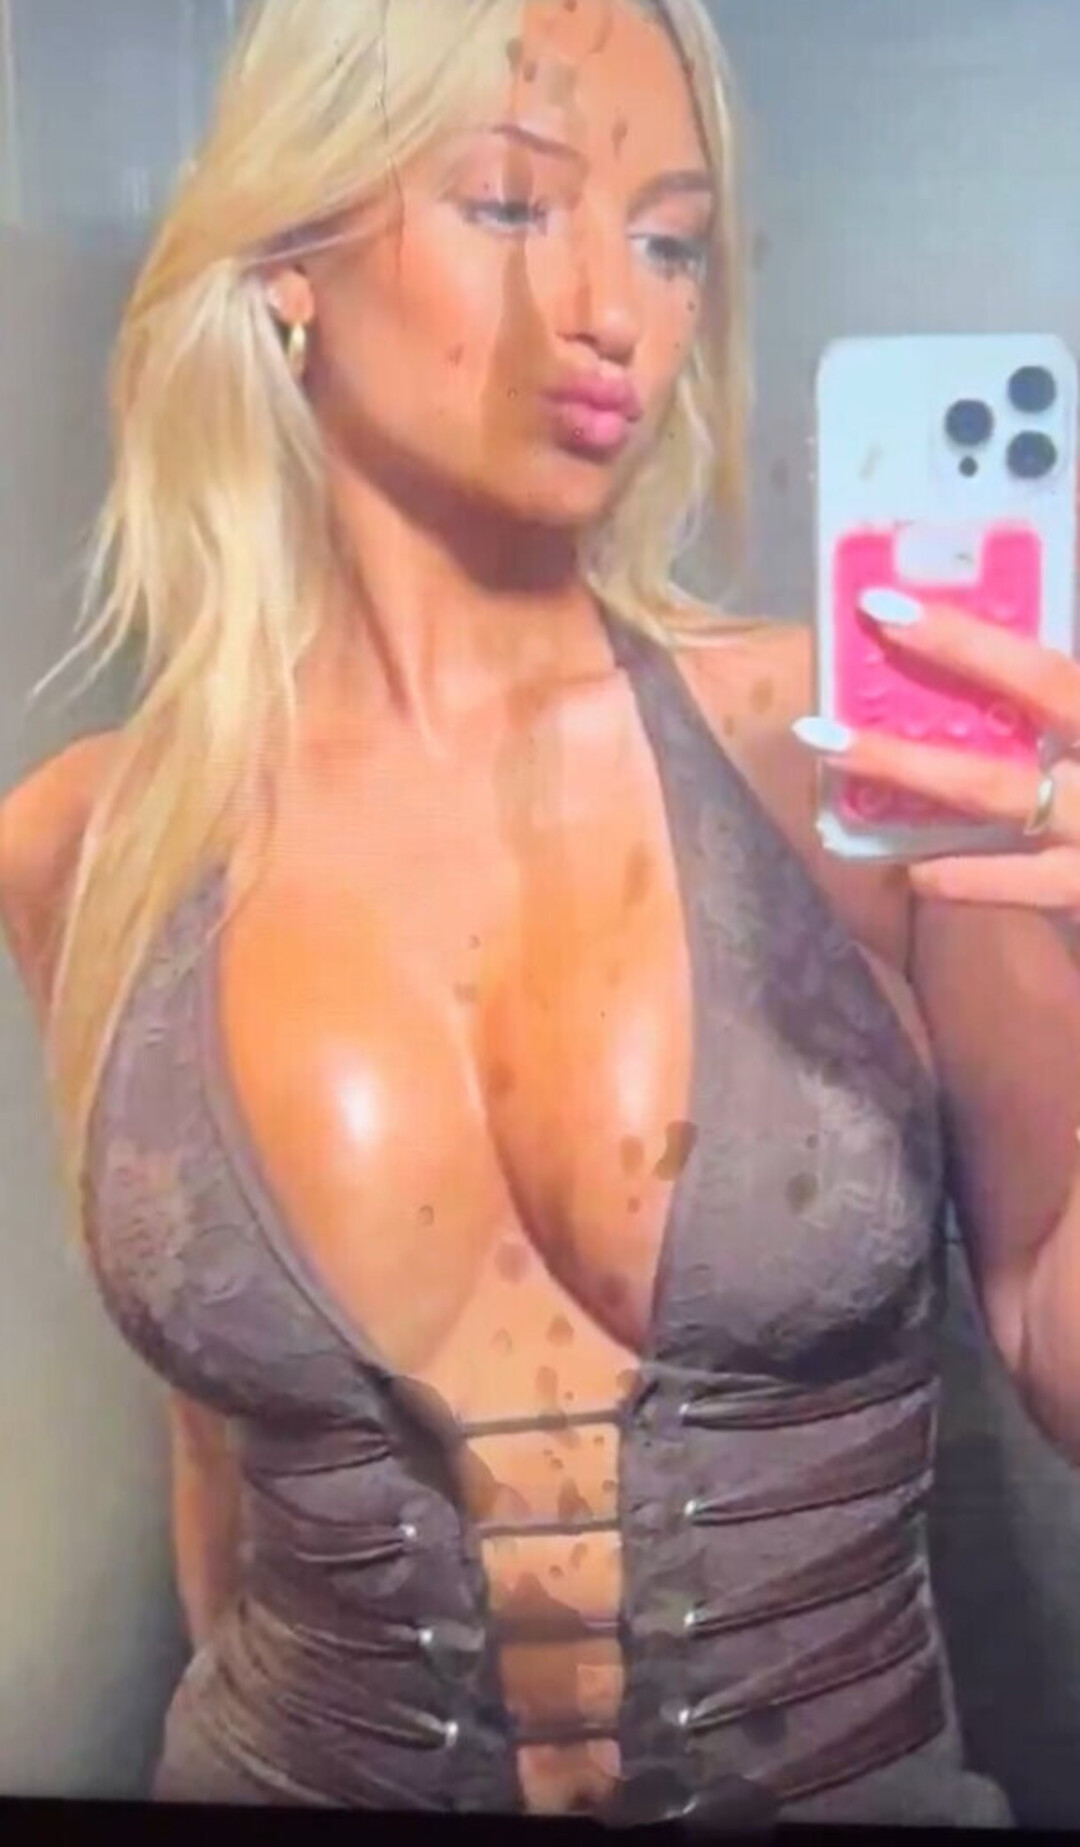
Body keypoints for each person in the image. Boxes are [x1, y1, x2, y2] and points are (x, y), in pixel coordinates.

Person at [2, 0, 1080, 1823]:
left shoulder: (847, 765)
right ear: (288, 257)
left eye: (670, 243)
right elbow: (227, 1467)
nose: (614, 314)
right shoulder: (90, 843)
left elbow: (1057, 1332)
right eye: (513, 206)